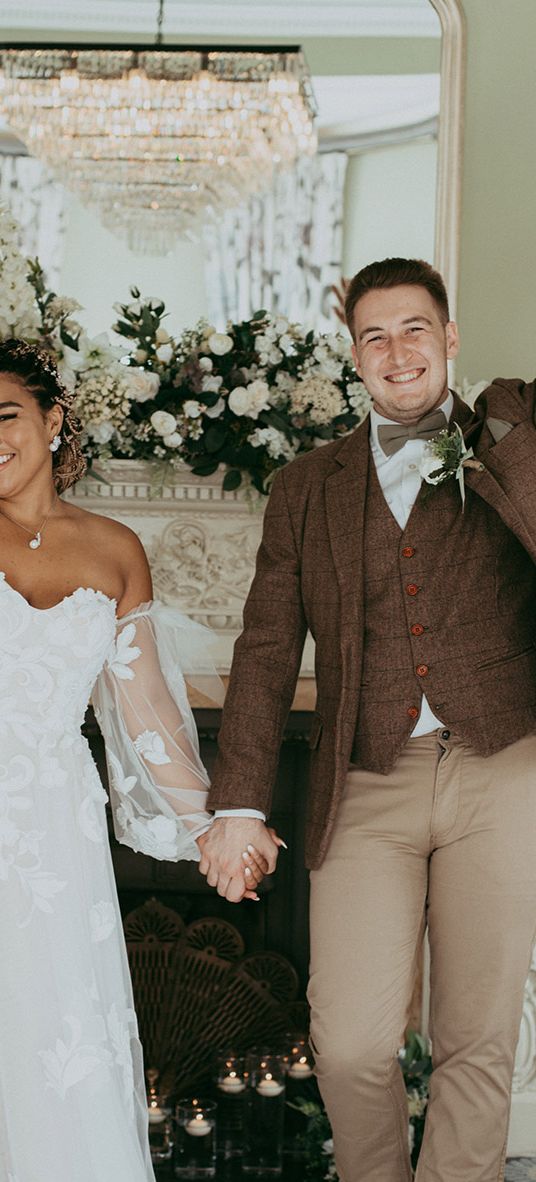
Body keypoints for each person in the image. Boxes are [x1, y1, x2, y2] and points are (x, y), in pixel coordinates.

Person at [201, 257, 536, 1181]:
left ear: (450, 338)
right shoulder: (306, 486)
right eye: (375, 336)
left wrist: (502, 443)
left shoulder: (512, 437)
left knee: (477, 1038)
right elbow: (268, 651)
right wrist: (236, 804)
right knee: (349, 1043)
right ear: (353, 354)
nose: (397, 353)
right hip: (366, 776)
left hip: (502, 764)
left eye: (415, 329)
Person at [0, 337, 268, 1182]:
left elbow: (146, 715)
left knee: (54, 1033)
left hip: (54, 830)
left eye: (5, 415)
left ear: (52, 417)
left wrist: (219, 831)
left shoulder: (115, 550)